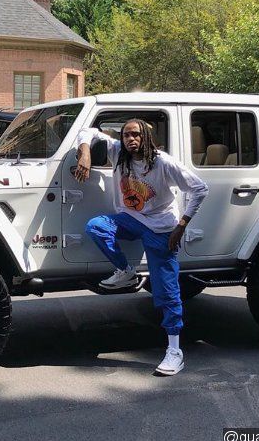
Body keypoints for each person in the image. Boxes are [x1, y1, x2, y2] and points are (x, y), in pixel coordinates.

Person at [75, 119, 208, 376]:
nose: (130, 139)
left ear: (146, 137)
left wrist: (181, 225)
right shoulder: (118, 153)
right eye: (126, 135)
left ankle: (174, 351)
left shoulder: (163, 162)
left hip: (161, 229)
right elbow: (88, 131)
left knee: (165, 290)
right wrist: (85, 151)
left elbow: (200, 188)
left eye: (135, 135)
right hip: (130, 220)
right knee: (97, 226)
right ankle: (126, 272)